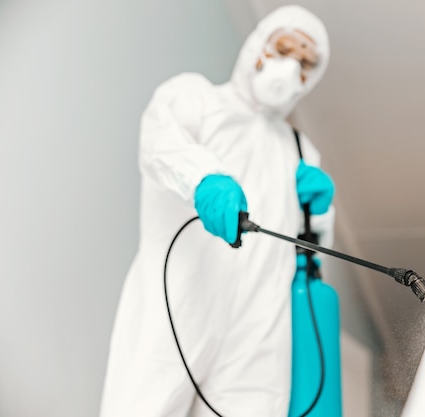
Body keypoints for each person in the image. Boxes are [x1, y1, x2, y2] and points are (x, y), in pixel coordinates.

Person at [100, 5, 335, 417]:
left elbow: (316, 250)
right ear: (258, 46)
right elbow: (161, 145)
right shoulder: (195, 98)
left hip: (258, 329)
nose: (290, 67)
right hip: (179, 304)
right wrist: (205, 178)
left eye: (304, 63)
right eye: (284, 49)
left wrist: (319, 213)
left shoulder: (300, 149)